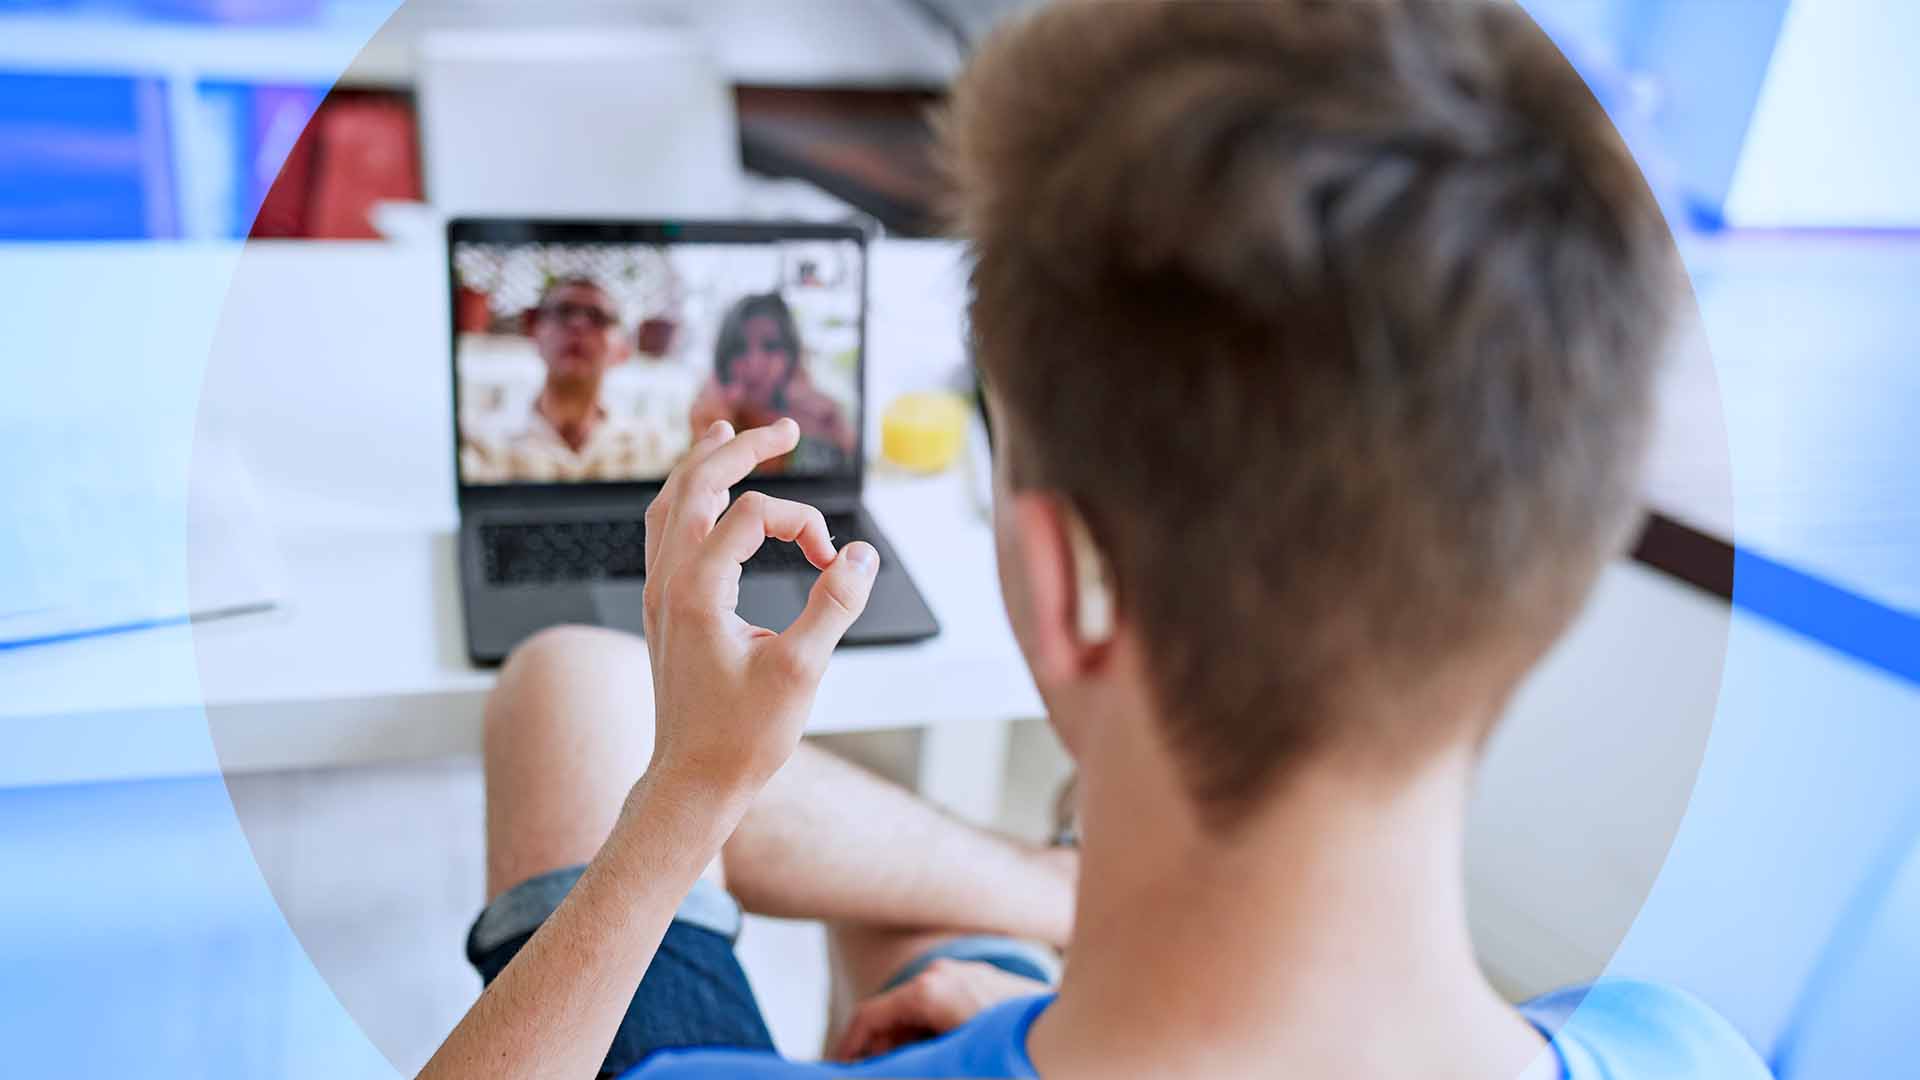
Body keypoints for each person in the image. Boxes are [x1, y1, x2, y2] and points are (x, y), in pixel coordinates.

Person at [422, 2, 1773, 1078]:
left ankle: (1043, 900)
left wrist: (681, 808)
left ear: (1063, 581)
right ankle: (1044, 905)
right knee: (949, 952)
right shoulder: (1691, 1046)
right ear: (1560, 567)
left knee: (576, 682)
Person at [470, 276, 650, 482]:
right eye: (563, 312)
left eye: (597, 317)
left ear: (623, 350)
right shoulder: (481, 443)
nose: (578, 324)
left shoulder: (654, 447)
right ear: (534, 334)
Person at [688, 293, 856, 475]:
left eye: (770, 346)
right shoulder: (710, 424)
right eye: (739, 348)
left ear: (792, 358)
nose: (754, 363)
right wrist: (707, 437)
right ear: (724, 360)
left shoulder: (819, 422)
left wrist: (839, 433)